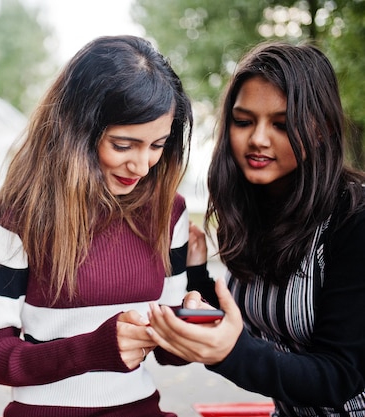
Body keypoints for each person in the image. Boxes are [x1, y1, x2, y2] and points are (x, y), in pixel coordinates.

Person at [0, 35, 207, 417]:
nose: (143, 166)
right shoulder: (21, 219)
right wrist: (92, 349)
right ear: (77, 132)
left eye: (157, 145)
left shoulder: (170, 212)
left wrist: (189, 324)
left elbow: (170, 355)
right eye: (124, 145)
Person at [146, 41, 365, 416]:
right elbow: (236, 322)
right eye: (244, 121)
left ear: (322, 129)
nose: (258, 139)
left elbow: (339, 375)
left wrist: (231, 354)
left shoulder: (353, 221)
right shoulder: (251, 207)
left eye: (281, 124)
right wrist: (197, 273)